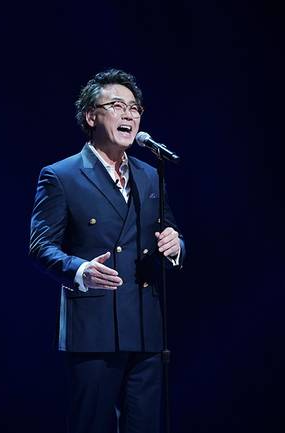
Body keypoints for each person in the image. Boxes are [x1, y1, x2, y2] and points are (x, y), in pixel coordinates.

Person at [29, 69, 185, 433]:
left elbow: (172, 232)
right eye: (117, 105)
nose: (129, 114)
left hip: (146, 326)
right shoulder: (61, 175)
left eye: (135, 108)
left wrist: (175, 246)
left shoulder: (151, 174)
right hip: (94, 328)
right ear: (91, 116)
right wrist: (80, 270)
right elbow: (40, 245)